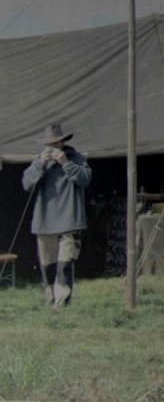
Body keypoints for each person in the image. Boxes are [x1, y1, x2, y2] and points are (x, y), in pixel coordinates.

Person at [21, 123, 92, 307]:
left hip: (70, 220)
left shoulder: (76, 158)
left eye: (55, 142)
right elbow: (26, 184)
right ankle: (51, 297)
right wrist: (40, 164)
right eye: (49, 143)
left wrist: (65, 163)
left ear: (62, 141)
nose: (52, 146)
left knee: (65, 264)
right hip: (45, 221)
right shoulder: (39, 160)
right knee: (48, 265)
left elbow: (85, 179)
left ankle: (62, 304)